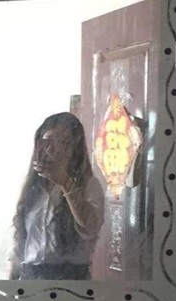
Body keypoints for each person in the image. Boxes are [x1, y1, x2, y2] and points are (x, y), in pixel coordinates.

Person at [9, 112, 105, 281]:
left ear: (75, 149)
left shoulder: (89, 184)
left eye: (64, 143)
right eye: (49, 141)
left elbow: (90, 227)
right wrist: (10, 288)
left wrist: (65, 182)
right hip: (31, 280)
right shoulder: (32, 187)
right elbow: (19, 244)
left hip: (72, 280)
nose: (56, 150)